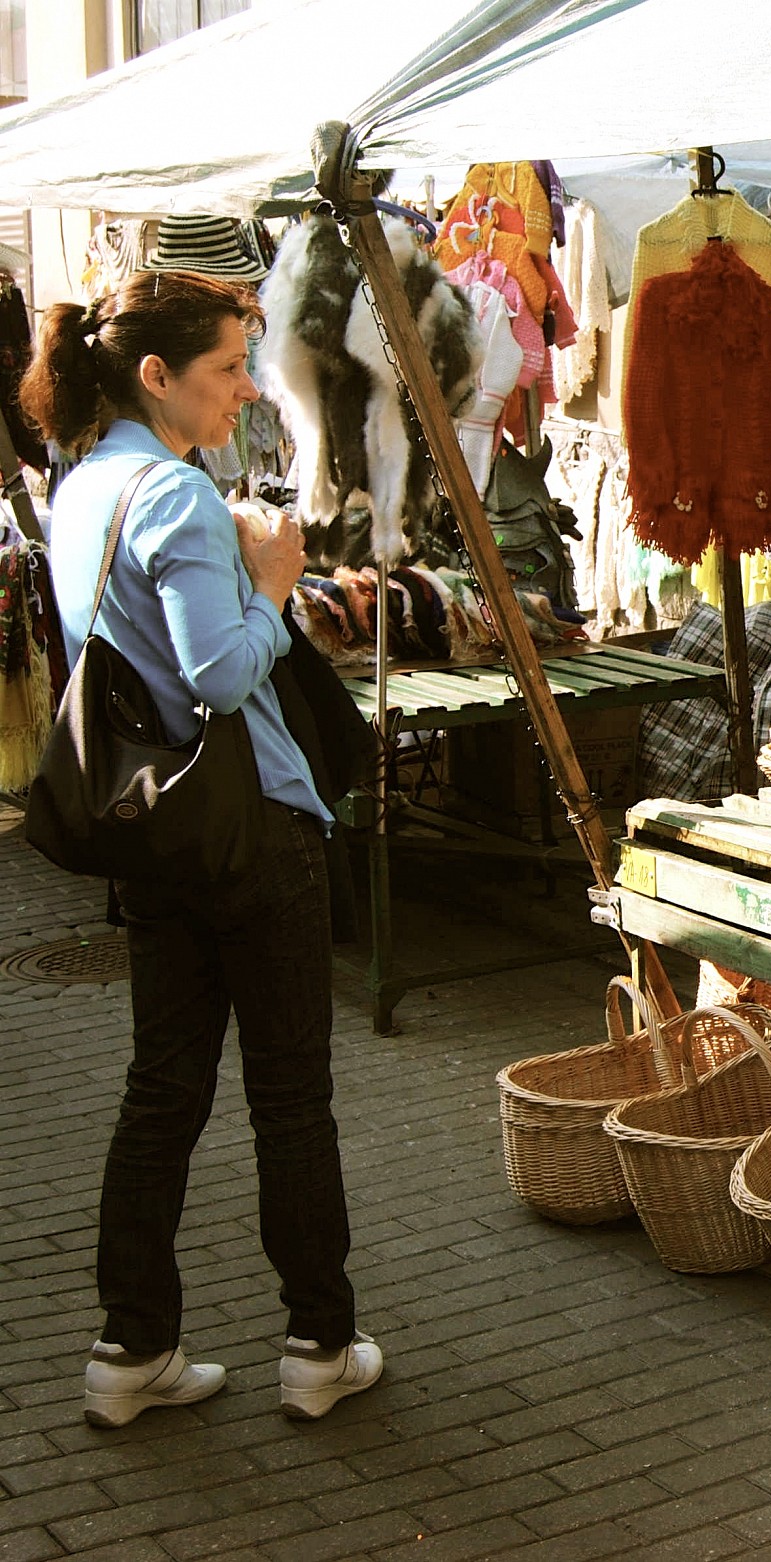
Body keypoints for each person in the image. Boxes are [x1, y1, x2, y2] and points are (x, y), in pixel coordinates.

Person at [22, 271, 383, 1427]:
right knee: (291, 1099)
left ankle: (132, 1347)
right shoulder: (175, 495)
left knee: (160, 1090)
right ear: (156, 375)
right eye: (229, 368)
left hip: (157, 830)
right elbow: (221, 674)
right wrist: (274, 584)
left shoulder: (83, 489)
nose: (244, 389)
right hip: (252, 827)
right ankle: (319, 1343)